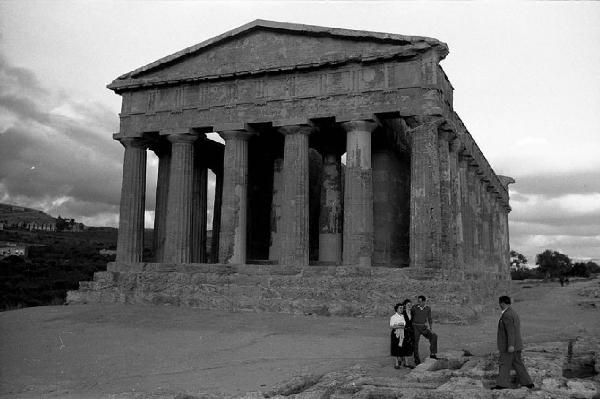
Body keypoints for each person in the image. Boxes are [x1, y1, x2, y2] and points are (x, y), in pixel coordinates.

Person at [492, 295, 535, 390]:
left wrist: (510, 345)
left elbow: (510, 331)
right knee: (518, 364)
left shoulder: (507, 315)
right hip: (517, 345)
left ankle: (501, 385)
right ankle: (528, 383)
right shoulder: (513, 312)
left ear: (502, 303)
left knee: (504, 364)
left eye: (500, 303)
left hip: (509, 346)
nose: (499, 305)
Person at [411, 295, 438, 364]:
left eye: (420, 301)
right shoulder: (414, 308)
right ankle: (416, 360)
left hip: (423, 327)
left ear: (424, 301)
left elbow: (429, 319)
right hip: (415, 327)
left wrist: (431, 328)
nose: (418, 302)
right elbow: (409, 316)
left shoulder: (428, 308)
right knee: (415, 343)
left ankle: (433, 354)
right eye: (418, 301)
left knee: (434, 336)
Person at [399, 299, 415, 368]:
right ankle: (407, 363)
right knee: (405, 346)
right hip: (404, 331)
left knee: (410, 347)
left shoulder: (412, 313)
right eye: (408, 305)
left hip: (411, 332)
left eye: (410, 305)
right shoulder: (402, 313)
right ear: (405, 305)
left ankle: (402, 358)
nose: (409, 306)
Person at [389, 303, 406, 369]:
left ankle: (400, 359)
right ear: (396, 309)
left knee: (401, 347)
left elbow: (404, 325)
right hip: (395, 333)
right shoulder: (393, 317)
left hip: (402, 333)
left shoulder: (403, 316)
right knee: (395, 347)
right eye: (400, 308)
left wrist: (398, 325)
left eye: (402, 308)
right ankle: (396, 363)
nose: (401, 309)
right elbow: (391, 326)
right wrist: (400, 326)